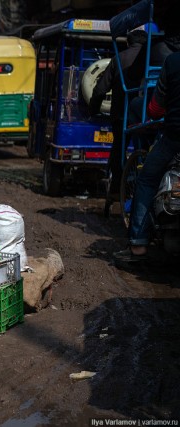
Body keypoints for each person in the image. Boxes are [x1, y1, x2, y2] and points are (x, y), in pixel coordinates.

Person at [114, 51, 180, 262]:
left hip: (173, 138)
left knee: (146, 180)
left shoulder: (172, 61)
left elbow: (154, 108)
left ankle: (139, 246)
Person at [89, 30, 147, 198]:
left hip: (121, 115)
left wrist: (93, 109)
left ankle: (117, 187)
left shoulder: (118, 59)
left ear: (128, 43)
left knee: (118, 149)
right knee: (143, 148)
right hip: (145, 115)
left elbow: (100, 90)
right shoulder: (150, 57)